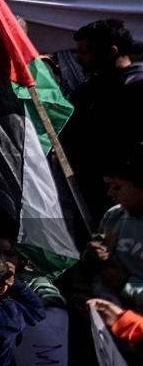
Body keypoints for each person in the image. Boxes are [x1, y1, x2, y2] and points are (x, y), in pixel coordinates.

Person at [62, 19, 143, 227]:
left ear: (111, 51)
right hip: (93, 191)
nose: (78, 59)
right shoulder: (88, 91)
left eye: (85, 52)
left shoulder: (136, 87)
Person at [84, 143, 143, 308]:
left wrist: (126, 284)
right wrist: (92, 257)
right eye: (109, 186)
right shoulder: (113, 216)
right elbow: (97, 273)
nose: (109, 193)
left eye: (117, 187)